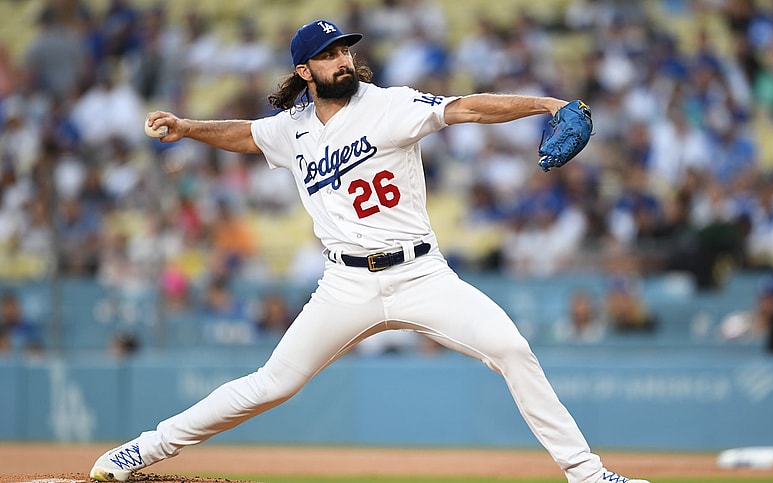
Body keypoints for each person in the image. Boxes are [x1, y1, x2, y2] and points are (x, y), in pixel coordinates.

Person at [89, 20, 649, 483]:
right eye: (328, 55)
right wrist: (187, 127)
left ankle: (587, 473)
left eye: (345, 50)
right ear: (305, 71)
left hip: (421, 273)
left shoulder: (392, 105)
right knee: (270, 385)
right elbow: (247, 135)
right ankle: (143, 449)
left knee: (511, 348)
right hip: (345, 285)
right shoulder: (293, 129)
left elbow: (468, 108)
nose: (342, 60)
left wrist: (547, 104)